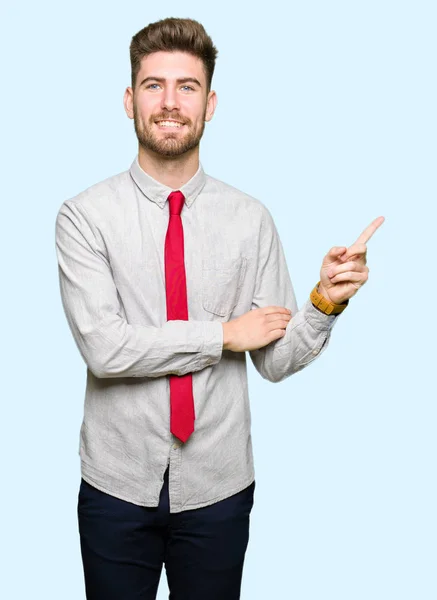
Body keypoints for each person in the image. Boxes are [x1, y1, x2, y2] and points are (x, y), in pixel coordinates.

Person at [55, 16, 384, 600]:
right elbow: (106, 350)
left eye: (188, 87)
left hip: (218, 488)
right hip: (114, 485)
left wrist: (323, 303)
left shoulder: (250, 220)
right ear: (130, 99)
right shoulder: (84, 217)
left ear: (210, 104)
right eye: (154, 85)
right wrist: (225, 335)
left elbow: (275, 361)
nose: (170, 103)